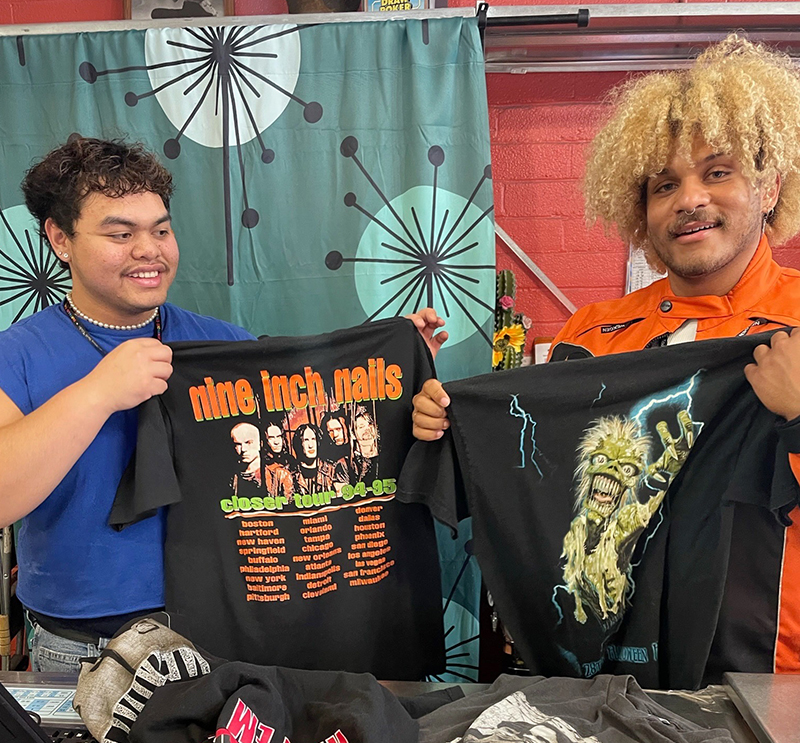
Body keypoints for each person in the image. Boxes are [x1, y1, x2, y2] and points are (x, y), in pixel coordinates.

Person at [412, 34, 800, 674]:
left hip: (768, 681)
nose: (690, 198)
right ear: (639, 212)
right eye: (663, 184)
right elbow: (536, 486)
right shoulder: (592, 336)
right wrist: (449, 422)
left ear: (769, 186)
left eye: (718, 172)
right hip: (611, 681)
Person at [0, 136, 446, 672]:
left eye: (161, 230)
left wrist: (397, 390)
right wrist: (97, 393)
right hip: (83, 650)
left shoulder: (220, 346)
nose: (149, 250)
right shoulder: (17, 353)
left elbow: (309, 449)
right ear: (59, 239)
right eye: (120, 233)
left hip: (220, 640)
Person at [291, 423, 336, 495]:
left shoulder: (331, 470)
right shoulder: (291, 474)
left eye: (313, 439)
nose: (310, 445)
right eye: (306, 440)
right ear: (299, 443)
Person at [229, 421, 262, 496]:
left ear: (259, 443)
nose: (243, 449)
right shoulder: (233, 476)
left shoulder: (273, 474)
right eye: (238, 444)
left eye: (248, 442)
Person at [263, 420, 293, 500]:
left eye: (279, 436)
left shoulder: (291, 461)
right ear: (265, 441)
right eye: (271, 438)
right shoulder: (264, 466)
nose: (276, 442)